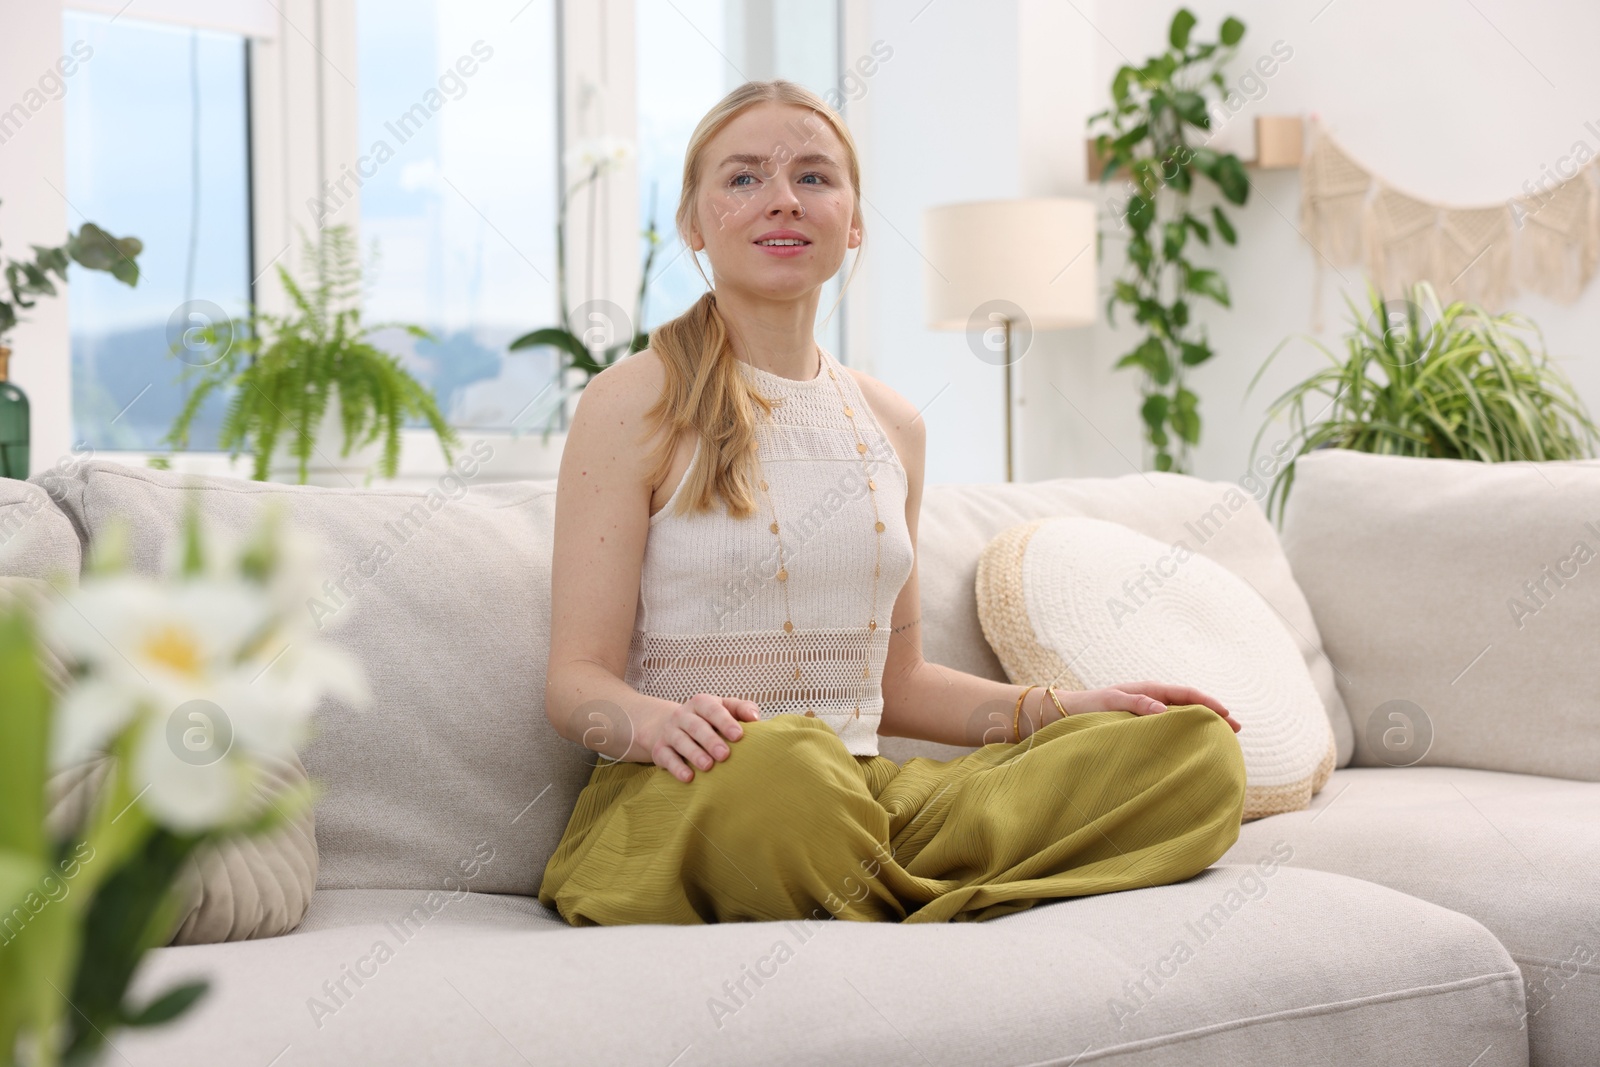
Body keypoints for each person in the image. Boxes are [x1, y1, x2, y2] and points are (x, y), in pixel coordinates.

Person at [538, 79, 1246, 926]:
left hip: (863, 795)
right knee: (787, 765)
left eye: (813, 176)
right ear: (694, 223)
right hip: (702, 792)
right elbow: (574, 683)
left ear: (856, 220)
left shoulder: (892, 424)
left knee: (1193, 755)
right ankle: (926, 898)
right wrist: (655, 724)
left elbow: (897, 684)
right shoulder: (632, 401)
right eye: (742, 178)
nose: (781, 201)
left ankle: (877, 890)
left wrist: (1062, 709)